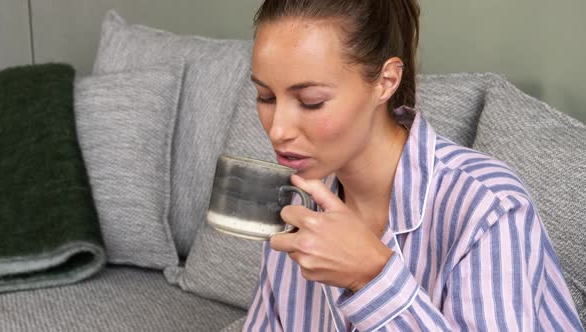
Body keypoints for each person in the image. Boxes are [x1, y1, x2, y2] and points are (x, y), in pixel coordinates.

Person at [243, 0, 583, 331]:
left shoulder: (488, 207)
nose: (278, 130)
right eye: (266, 97)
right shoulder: (296, 203)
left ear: (386, 81)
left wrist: (372, 277)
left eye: (310, 102)